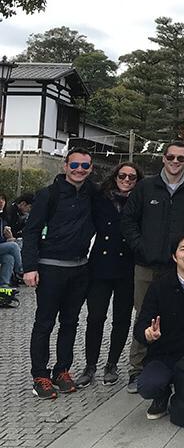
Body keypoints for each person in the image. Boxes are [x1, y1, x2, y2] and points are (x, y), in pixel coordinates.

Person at [122, 140, 184, 392]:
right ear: (163, 158)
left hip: (178, 266)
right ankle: (137, 369)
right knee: (144, 315)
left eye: (181, 158)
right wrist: (140, 246)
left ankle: (169, 363)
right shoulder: (146, 187)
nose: (175, 162)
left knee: (178, 314)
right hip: (146, 264)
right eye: (171, 157)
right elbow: (129, 220)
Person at [23, 148, 97, 399]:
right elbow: (31, 231)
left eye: (84, 166)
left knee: (70, 322)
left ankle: (62, 370)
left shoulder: (92, 195)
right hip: (50, 267)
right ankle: (40, 375)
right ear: (65, 166)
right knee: (44, 323)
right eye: (74, 165)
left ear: (91, 169)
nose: (79, 170)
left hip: (79, 268)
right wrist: (29, 267)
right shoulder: (48, 195)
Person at [75, 162, 143, 388]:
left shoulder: (140, 200)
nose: (126, 180)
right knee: (95, 317)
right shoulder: (100, 197)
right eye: (122, 175)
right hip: (101, 265)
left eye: (132, 177)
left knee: (122, 319)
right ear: (115, 177)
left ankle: (112, 364)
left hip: (127, 266)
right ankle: (90, 365)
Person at [133, 233, 184, 424]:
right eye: (183, 249)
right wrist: (149, 334)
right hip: (165, 354)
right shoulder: (159, 286)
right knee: (148, 385)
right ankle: (162, 393)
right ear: (175, 256)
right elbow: (142, 323)